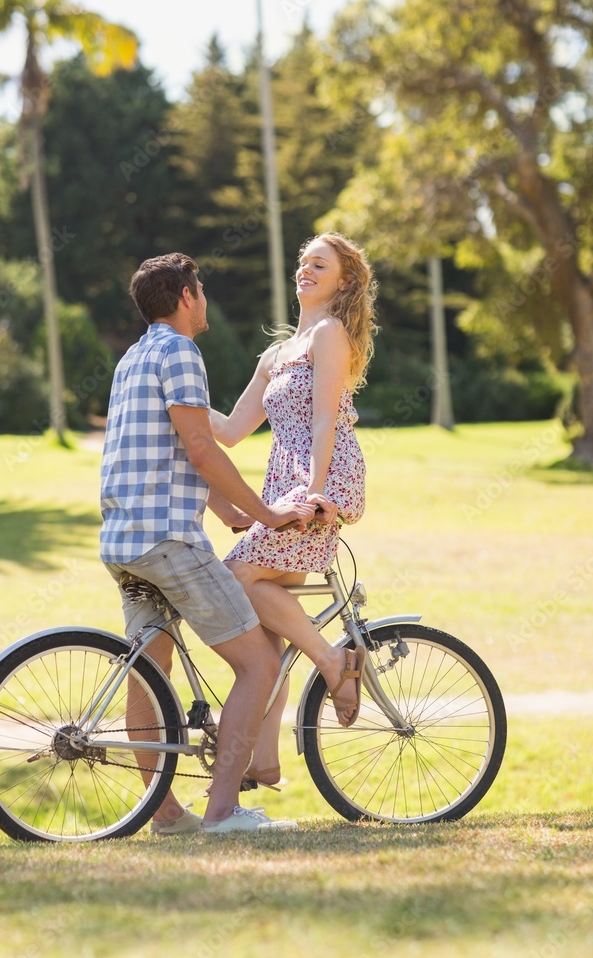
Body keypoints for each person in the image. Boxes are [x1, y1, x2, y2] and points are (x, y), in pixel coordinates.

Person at [100, 252, 316, 834]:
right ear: (186, 297)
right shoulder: (180, 351)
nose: (206, 300)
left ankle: (166, 815)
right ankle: (223, 812)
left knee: (151, 674)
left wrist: (228, 511)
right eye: (201, 290)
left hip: (125, 539)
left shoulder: (133, 357)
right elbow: (201, 446)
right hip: (169, 541)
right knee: (259, 664)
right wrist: (268, 512)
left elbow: (168, 452)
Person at [210, 231, 377, 792]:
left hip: (320, 484)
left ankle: (333, 663)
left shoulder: (329, 335)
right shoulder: (275, 353)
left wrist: (312, 489)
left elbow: (326, 418)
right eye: (303, 262)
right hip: (283, 489)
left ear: (344, 280)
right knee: (263, 632)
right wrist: (173, 397)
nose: (305, 270)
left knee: (236, 577)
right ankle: (263, 762)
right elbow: (232, 431)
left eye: (319, 264)